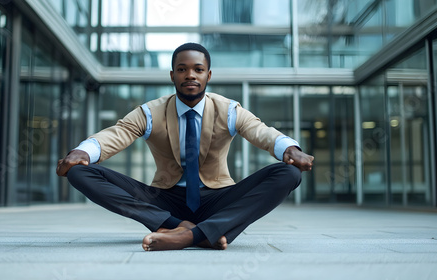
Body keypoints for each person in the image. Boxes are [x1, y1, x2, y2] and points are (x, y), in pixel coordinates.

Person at [56, 42, 314, 251]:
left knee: (289, 173)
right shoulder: (149, 112)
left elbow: (262, 132)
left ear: (208, 75)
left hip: (218, 198)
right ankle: (182, 228)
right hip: (163, 201)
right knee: (79, 171)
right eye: (182, 69)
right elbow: (116, 134)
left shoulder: (229, 110)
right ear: (172, 75)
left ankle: (188, 236)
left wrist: (289, 149)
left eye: (198, 69)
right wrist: (82, 152)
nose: (190, 74)